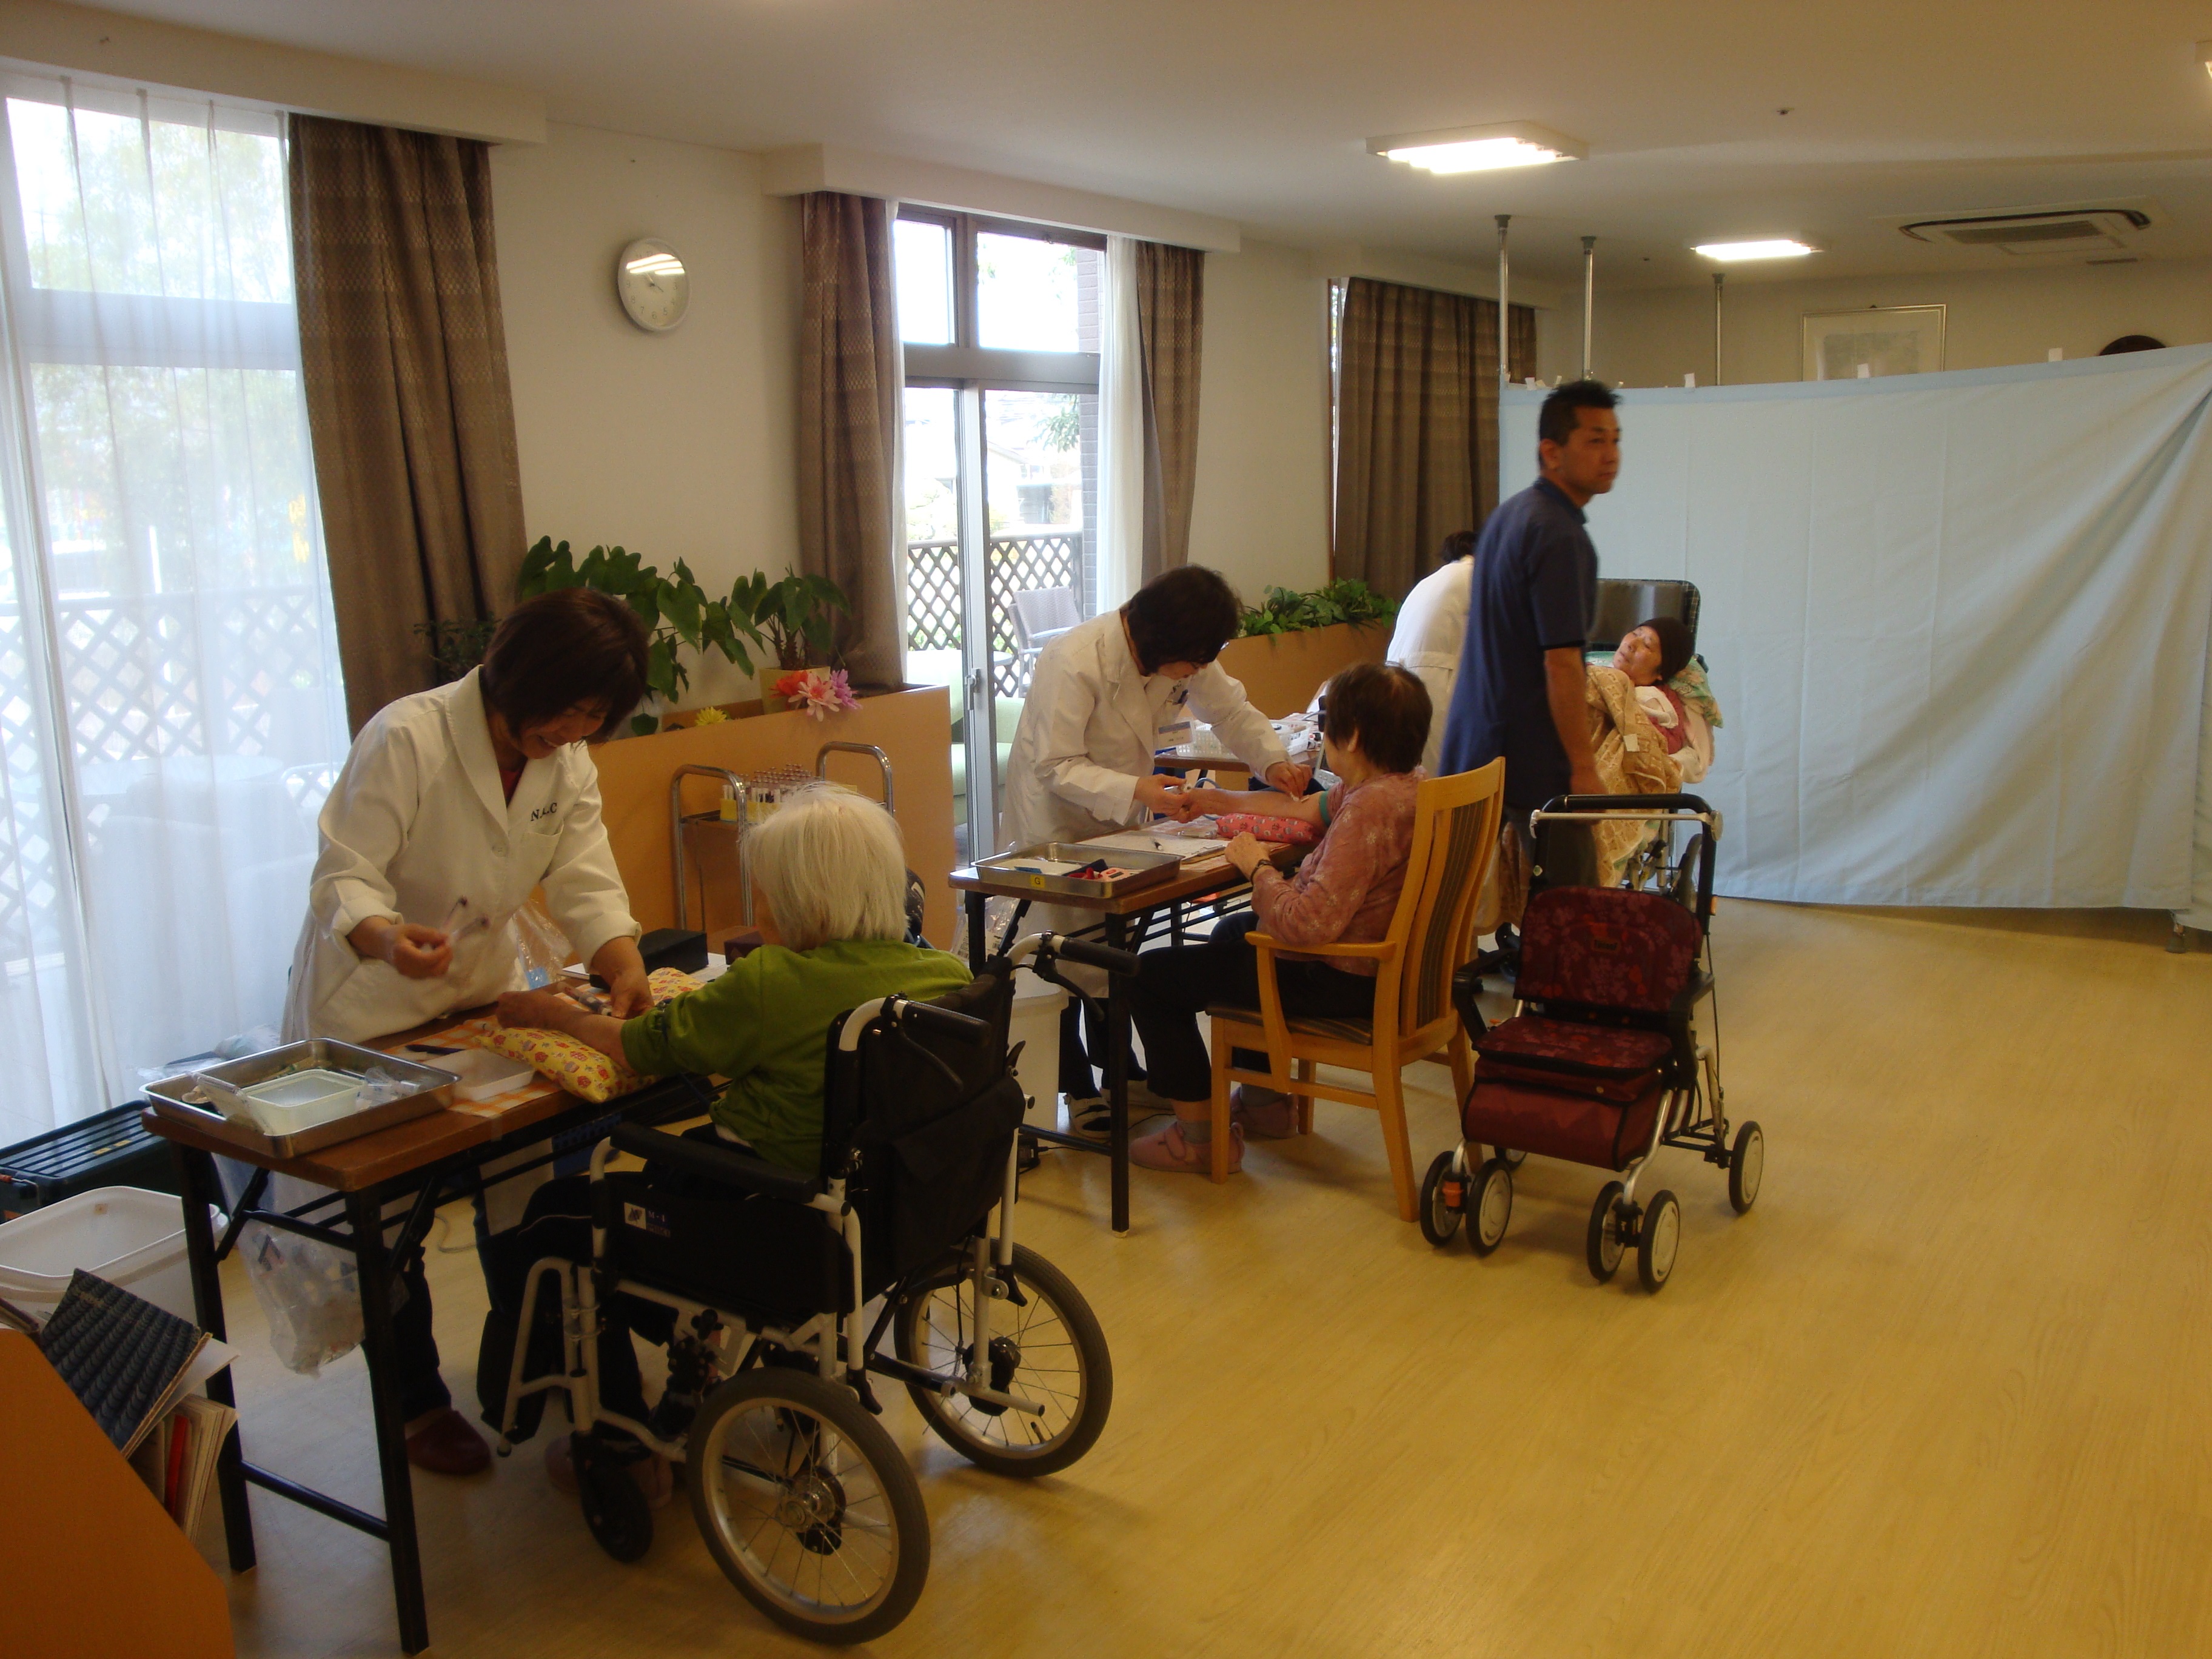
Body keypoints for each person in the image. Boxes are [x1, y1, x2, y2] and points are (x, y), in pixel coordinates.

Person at [486, 785, 971, 1500]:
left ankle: (618, 1436)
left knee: (559, 1216)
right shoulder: (945, 975)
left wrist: (554, 1013)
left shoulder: (772, 982)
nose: (758, 909)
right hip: (890, 1215)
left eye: (766, 894)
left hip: (767, 1218)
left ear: (806, 904)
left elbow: (638, 1046)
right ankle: (725, 1355)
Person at [279, 588, 654, 1475]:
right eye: (567, 711)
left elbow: (585, 875)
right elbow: (343, 874)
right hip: (372, 1010)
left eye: (593, 720)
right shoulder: (407, 737)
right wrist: (384, 937)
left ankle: (529, 1366)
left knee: (519, 1190)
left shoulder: (565, 760)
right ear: (518, 674)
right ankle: (415, 1403)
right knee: (384, 1221)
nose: (573, 732)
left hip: (477, 1001)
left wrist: (622, 959)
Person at [1001, 565, 1310, 1133]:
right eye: (1192, 661)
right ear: (1160, 641)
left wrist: (1273, 761)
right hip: (1056, 820)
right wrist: (1139, 790)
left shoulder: (1183, 653)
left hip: (1122, 814)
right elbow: (1055, 765)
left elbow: (1231, 712)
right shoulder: (1074, 660)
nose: (1196, 672)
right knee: (1061, 952)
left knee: (1115, 943)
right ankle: (1077, 1085)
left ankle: (1122, 1073)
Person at [1120, 662, 1432, 1175]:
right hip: (1384, 970)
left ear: (1351, 736)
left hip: (1340, 977)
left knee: (1148, 976)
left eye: (1326, 726)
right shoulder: (1405, 787)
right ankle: (1263, 1104)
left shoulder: (1368, 811)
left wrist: (1258, 868)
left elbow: (1307, 925)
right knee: (1231, 931)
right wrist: (1218, 801)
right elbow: (1308, 810)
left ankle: (1199, 1140)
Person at [1440, 380, 1621, 857]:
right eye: (1595, 440)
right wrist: (1584, 767)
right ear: (1552, 452)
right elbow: (1561, 661)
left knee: (1451, 890)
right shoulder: (1559, 536)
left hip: (1476, 738)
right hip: (1530, 753)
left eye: (1615, 440)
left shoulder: (1510, 515)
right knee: (1570, 898)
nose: (1611, 455)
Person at [1384, 529, 1476, 774]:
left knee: (1406, 770)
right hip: (1431, 681)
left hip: (1395, 679)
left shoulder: (1433, 580)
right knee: (1437, 774)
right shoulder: (1475, 574)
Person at [1609, 616, 1715, 784]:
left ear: (1661, 672)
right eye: (1636, 633)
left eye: (1647, 645)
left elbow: (1667, 745)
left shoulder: (1660, 702)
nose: (1632, 644)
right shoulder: (1592, 671)